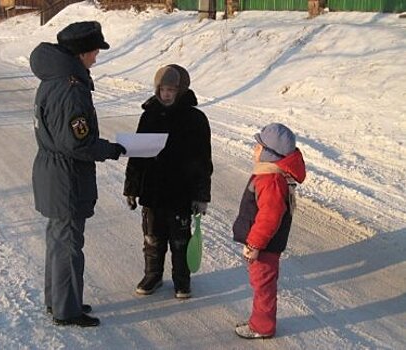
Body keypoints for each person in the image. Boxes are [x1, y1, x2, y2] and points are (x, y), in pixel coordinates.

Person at [29, 21, 126, 327]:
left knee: (58, 241)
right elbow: (77, 142)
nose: (96, 57)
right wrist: (111, 149)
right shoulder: (70, 89)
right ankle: (66, 310)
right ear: (82, 53)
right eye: (95, 51)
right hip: (66, 176)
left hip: (54, 172)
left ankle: (58, 300)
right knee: (68, 244)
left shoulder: (54, 79)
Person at [123, 64, 213, 299]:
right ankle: (153, 275)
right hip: (153, 190)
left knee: (180, 239)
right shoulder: (149, 115)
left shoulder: (195, 119)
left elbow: (204, 160)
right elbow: (137, 155)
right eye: (162, 89)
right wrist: (131, 188)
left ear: (181, 90)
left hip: (181, 191)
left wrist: (201, 196)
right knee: (152, 237)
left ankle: (182, 279)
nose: (166, 94)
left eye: (172, 90)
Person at [232, 123, 306, 339]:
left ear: (269, 154)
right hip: (264, 244)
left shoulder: (271, 180)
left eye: (258, 146)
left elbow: (269, 218)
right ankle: (259, 320)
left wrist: (254, 244)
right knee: (260, 282)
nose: (254, 150)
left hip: (265, 246)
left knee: (263, 285)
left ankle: (262, 327)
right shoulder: (268, 173)